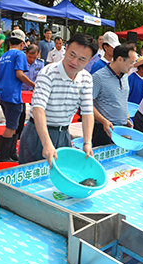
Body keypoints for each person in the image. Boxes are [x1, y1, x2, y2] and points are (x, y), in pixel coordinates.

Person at [18, 33, 98, 167]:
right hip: (38, 133)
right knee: (33, 176)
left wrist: (87, 142)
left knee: (60, 173)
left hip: (63, 134)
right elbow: (38, 109)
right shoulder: (47, 73)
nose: (74, 62)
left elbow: (87, 112)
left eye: (82, 59)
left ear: (89, 60)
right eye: (72, 55)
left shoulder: (86, 79)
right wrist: (46, 143)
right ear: (65, 49)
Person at [0, 30, 35, 162]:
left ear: (10, 42)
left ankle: (11, 153)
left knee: (14, 124)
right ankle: (3, 156)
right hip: (12, 95)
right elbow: (20, 74)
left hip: (2, 94)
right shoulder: (19, 54)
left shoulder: (4, 56)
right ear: (23, 43)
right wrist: (34, 84)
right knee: (11, 127)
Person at [91, 44, 136, 147]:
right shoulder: (99, 77)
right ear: (120, 59)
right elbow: (86, 104)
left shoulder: (125, 76)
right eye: (131, 62)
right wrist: (103, 120)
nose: (132, 66)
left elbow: (124, 100)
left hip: (121, 128)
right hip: (104, 129)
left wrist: (127, 118)